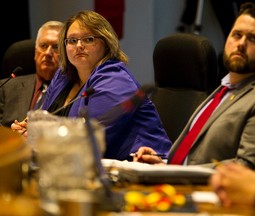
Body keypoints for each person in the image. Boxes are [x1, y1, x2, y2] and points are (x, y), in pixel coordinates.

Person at [132, 2, 255, 170]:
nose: (241, 43)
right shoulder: (223, 89)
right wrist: (163, 163)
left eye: (253, 38)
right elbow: (197, 157)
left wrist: (176, 171)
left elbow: (247, 166)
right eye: (237, 35)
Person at [11, 10, 172, 161]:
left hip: (144, 168)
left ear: (106, 43)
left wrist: (37, 136)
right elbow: (45, 122)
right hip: (85, 169)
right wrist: (28, 130)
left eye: (88, 39)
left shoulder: (115, 79)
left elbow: (89, 141)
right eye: (72, 40)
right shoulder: (63, 76)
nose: (79, 45)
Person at [0, 20, 64, 127]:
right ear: (35, 53)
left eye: (56, 47)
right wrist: (12, 135)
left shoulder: (75, 91)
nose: (48, 53)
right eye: (43, 46)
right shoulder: (6, 88)